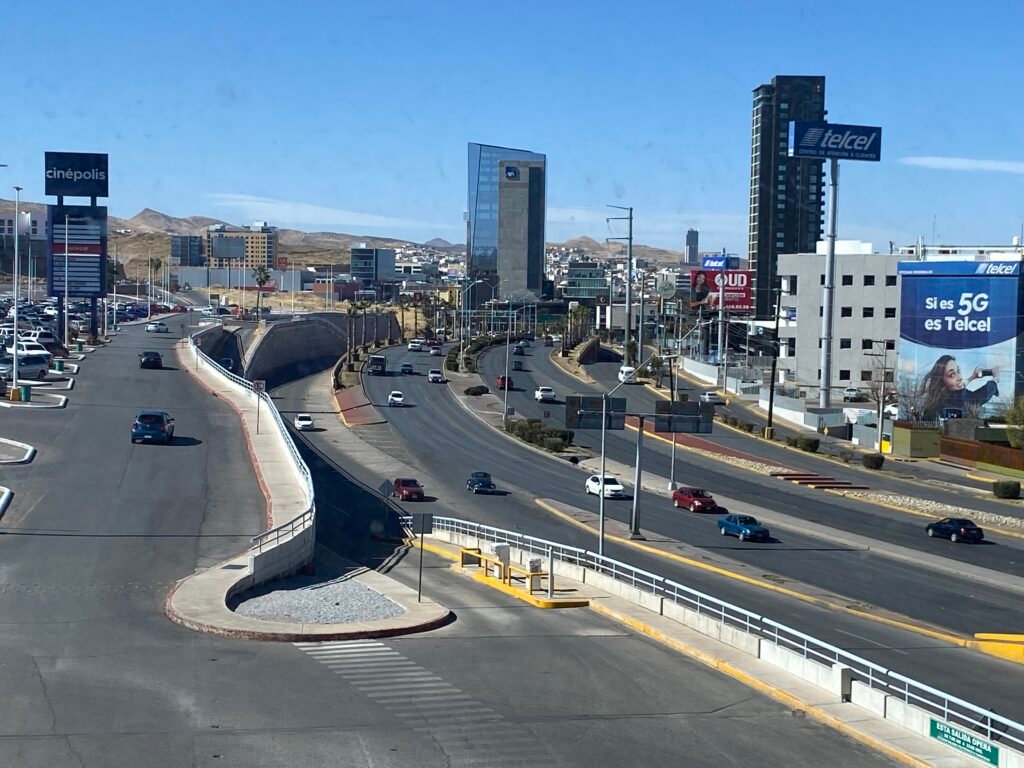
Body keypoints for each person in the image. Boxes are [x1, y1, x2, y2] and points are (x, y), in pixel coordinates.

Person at [920, 354, 999, 419]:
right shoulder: (962, 397)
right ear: (941, 382)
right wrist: (995, 379)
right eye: (952, 375)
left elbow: (956, 386)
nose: (960, 377)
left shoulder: (933, 406)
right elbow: (984, 393)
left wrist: (972, 377)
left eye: (958, 371)